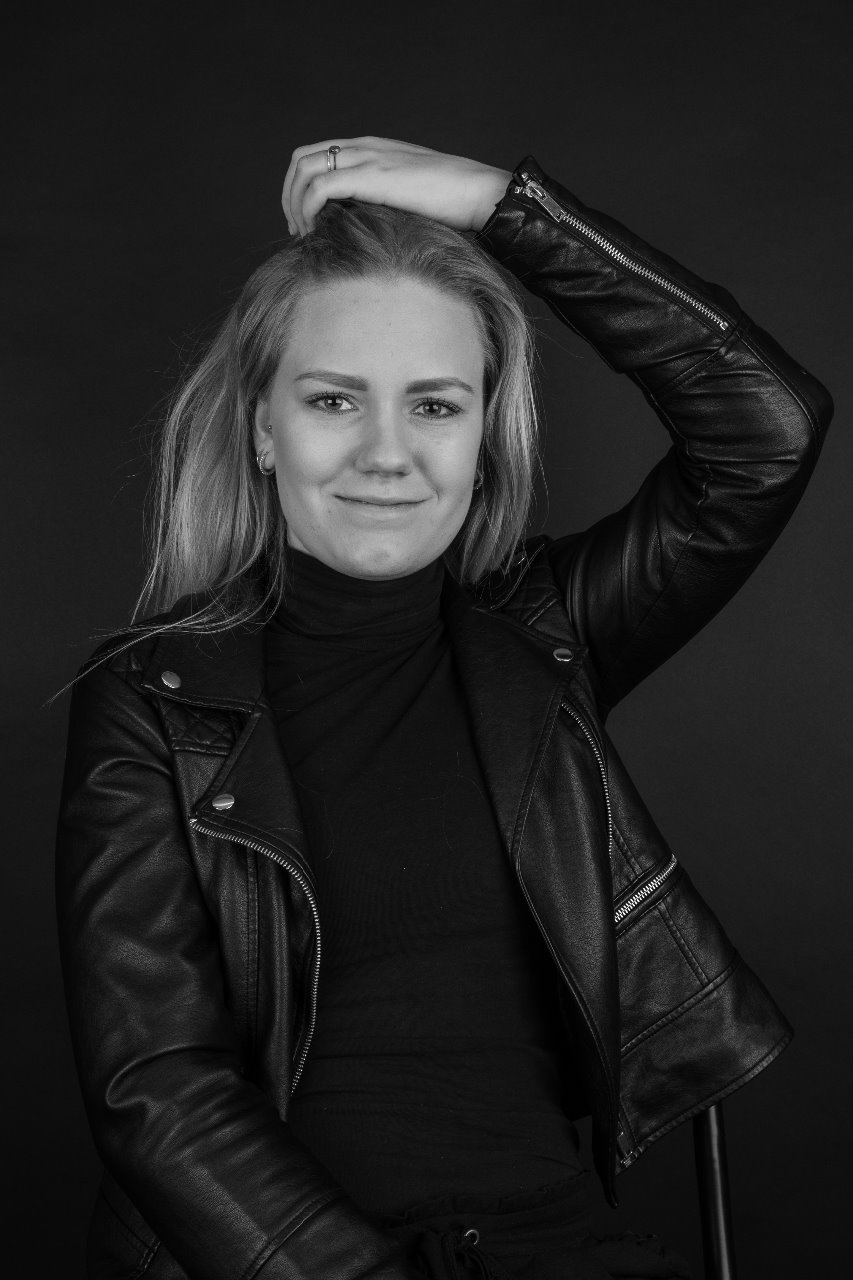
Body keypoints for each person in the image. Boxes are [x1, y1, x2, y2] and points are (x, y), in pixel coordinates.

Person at [54, 135, 833, 1280]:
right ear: (262, 428)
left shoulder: (543, 636)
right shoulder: (151, 698)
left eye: (433, 403)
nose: (387, 453)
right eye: (333, 398)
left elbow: (766, 430)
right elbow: (156, 1087)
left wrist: (501, 206)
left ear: (481, 435)